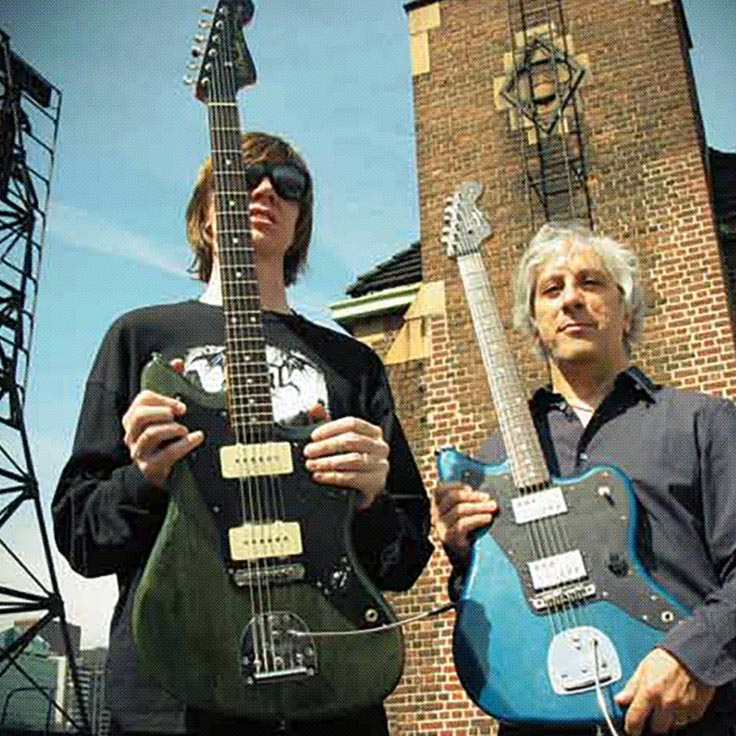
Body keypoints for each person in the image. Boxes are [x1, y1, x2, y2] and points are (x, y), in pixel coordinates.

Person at [52, 131, 433, 736]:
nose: (264, 190)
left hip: (330, 688)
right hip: (173, 692)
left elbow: (405, 557)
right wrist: (146, 478)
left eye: (288, 184)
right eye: (244, 175)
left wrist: (371, 499)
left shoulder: (351, 364)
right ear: (207, 209)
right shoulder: (141, 339)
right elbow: (80, 534)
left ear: (301, 217)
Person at [435, 221, 736, 736]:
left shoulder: (701, 422)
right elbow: (496, 603)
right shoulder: (493, 459)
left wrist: (694, 657)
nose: (571, 299)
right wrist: (464, 555)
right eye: (552, 289)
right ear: (533, 322)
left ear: (626, 310)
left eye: (591, 283)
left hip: (685, 717)